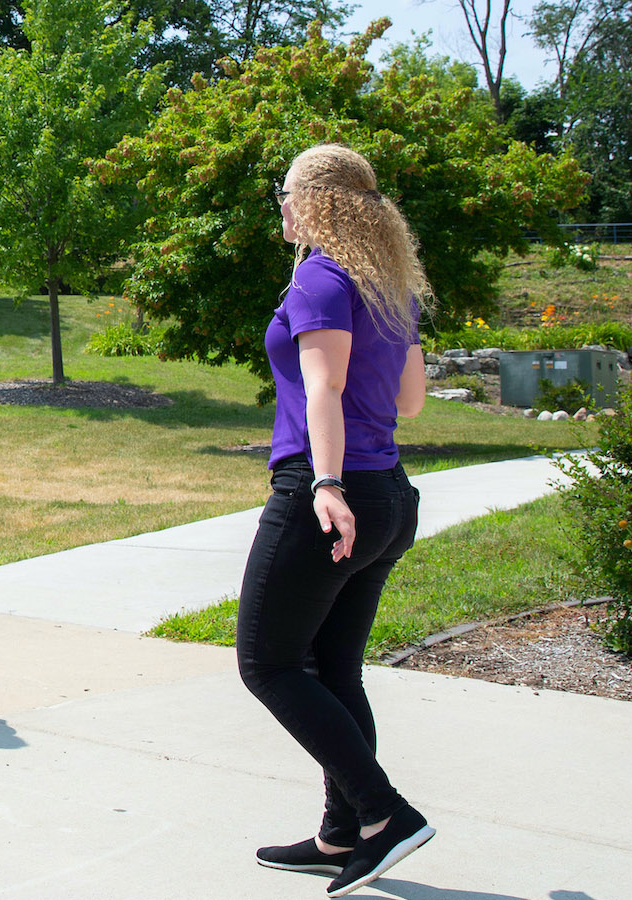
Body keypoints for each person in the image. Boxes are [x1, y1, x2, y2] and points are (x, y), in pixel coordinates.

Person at [240, 144, 434, 898]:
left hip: (330, 493)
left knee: (268, 663)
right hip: (389, 494)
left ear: (316, 202)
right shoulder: (387, 286)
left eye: (284, 194)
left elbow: (324, 389)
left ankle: (386, 816)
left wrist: (324, 482)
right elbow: (410, 402)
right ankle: (341, 832)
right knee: (331, 669)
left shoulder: (322, 275)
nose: (280, 206)